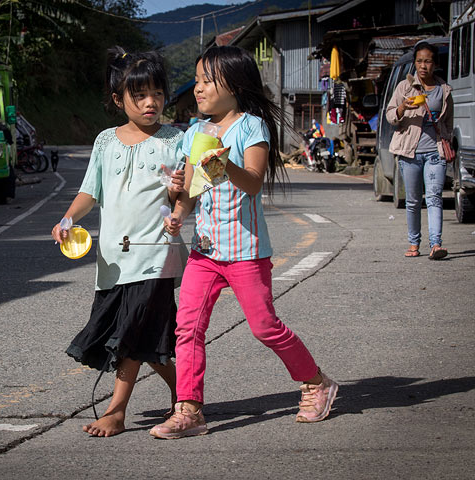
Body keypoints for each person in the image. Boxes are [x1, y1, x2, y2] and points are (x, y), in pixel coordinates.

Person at [149, 45, 339, 439]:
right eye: (197, 80)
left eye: (206, 81)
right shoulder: (194, 132)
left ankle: (317, 382)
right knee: (188, 328)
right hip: (205, 251)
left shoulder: (251, 127)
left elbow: (252, 183)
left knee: (264, 326)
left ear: (233, 85)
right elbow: (190, 192)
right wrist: (178, 208)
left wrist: (221, 163)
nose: (198, 89)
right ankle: (189, 409)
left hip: (246, 251)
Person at [52, 46, 187, 437]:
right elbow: (89, 193)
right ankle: (186, 391)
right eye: (140, 95)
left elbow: (183, 195)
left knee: (129, 330)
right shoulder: (105, 142)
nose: (151, 103)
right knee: (142, 335)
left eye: (158, 94)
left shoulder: (174, 141)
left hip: (156, 252)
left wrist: (179, 205)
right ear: (118, 99)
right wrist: (65, 220)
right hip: (113, 257)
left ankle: (116, 410)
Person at [386, 41, 454, 260]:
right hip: (410, 153)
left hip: (435, 152)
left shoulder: (443, 91)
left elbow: (449, 122)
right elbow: (390, 117)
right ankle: (414, 243)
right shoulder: (404, 88)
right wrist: (403, 108)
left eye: (428, 61)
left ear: (435, 64)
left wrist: (447, 141)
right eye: (419, 61)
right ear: (414, 63)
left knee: (434, 197)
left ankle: (436, 245)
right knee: (414, 200)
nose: (423, 66)